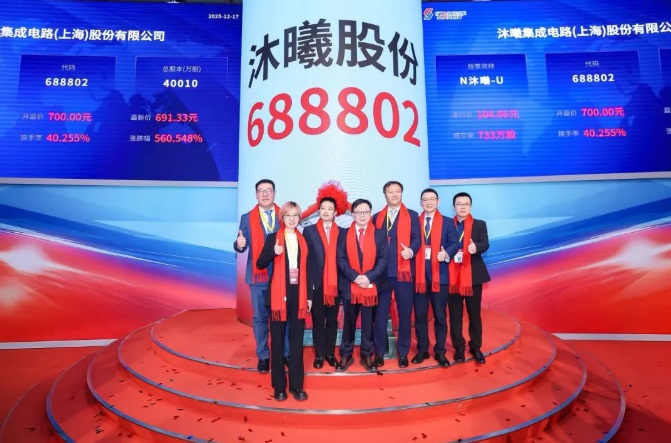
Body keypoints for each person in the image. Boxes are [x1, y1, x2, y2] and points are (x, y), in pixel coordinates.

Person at [256, 201, 311, 401]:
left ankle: (297, 386)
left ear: (299, 218)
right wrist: (273, 252)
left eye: (295, 215)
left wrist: (309, 297)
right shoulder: (273, 238)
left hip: (299, 294)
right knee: (278, 342)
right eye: (288, 215)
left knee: (296, 342)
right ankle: (279, 387)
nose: (292, 219)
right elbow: (260, 263)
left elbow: (310, 269)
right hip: (278, 296)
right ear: (282, 218)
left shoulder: (303, 239)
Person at [233, 179, 288, 373]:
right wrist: (239, 245)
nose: (265, 194)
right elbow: (241, 245)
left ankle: (285, 353)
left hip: (282, 275)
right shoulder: (247, 218)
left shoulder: (285, 214)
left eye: (268, 190)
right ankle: (263, 356)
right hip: (258, 277)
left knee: (283, 317)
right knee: (260, 318)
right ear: (256, 195)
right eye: (261, 191)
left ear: (274, 193)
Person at [336, 199, 388, 372]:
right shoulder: (343, 234)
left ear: (370, 214)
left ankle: (367, 354)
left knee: (368, 322)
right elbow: (340, 259)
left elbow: (384, 259)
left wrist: (369, 277)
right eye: (359, 212)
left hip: (371, 285)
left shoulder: (380, 234)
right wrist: (355, 277)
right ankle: (346, 354)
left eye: (366, 212)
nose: (362, 215)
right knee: (349, 321)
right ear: (353, 214)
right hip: (350, 285)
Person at [372, 181, 420, 368]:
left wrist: (411, 251)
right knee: (380, 315)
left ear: (402, 193)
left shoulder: (412, 215)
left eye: (397, 191)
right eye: (390, 192)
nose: (394, 194)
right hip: (382, 274)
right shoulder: (376, 217)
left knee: (404, 314)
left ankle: (403, 352)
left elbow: (417, 238)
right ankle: (379, 352)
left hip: (404, 273)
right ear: (385, 195)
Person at [412, 188, 459, 367]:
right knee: (420, 316)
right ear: (421, 203)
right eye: (425, 199)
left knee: (440, 316)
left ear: (438, 201)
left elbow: (454, 243)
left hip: (440, 276)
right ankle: (422, 350)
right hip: (419, 278)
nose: (429, 202)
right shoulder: (414, 222)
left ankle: (440, 351)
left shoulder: (447, 222)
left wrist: (446, 254)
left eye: (432, 199)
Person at [448, 192, 491, 364]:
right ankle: (459, 347)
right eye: (459, 204)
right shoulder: (447, 224)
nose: (463, 207)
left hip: (473, 275)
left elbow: (485, 243)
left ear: (470, 206)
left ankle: (476, 347)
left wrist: (476, 248)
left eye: (466, 204)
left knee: (474, 314)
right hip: (452, 276)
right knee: (455, 315)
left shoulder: (479, 224)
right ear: (454, 207)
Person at [304, 197, 341, 369]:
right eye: (323, 208)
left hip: (335, 285)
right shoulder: (309, 231)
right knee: (318, 321)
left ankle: (330, 354)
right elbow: (306, 259)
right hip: (316, 284)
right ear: (318, 211)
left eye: (330, 208)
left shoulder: (342, 232)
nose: (326, 211)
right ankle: (319, 355)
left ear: (335, 212)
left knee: (332, 321)